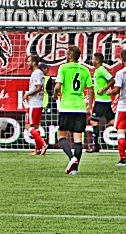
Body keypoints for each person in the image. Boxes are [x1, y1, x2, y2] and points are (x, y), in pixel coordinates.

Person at [55, 45, 93, 175]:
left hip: (66, 107)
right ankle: (75, 170)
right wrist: (90, 106)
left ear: (70, 55)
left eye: (66, 54)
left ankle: (72, 158)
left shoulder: (63, 68)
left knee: (61, 135)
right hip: (80, 107)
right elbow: (90, 88)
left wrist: (55, 94)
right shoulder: (85, 70)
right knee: (78, 139)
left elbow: (58, 86)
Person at [88, 52, 114, 153]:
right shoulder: (98, 70)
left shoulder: (101, 70)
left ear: (97, 61)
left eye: (93, 59)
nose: (92, 60)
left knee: (93, 121)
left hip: (101, 101)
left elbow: (112, 80)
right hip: (105, 101)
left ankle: (96, 146)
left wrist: (103, 89)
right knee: (112, 122)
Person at [25, 54, 48, 156]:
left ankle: (43, 144)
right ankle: (37, 149)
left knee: (28, 126)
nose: (27, 63)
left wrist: (27, 94)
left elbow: (38, 88)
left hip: (34, 104)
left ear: (34, 62)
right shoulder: (40, 73)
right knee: (36, 127)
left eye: (29, 61)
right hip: (38, 103)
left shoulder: (36, 73)